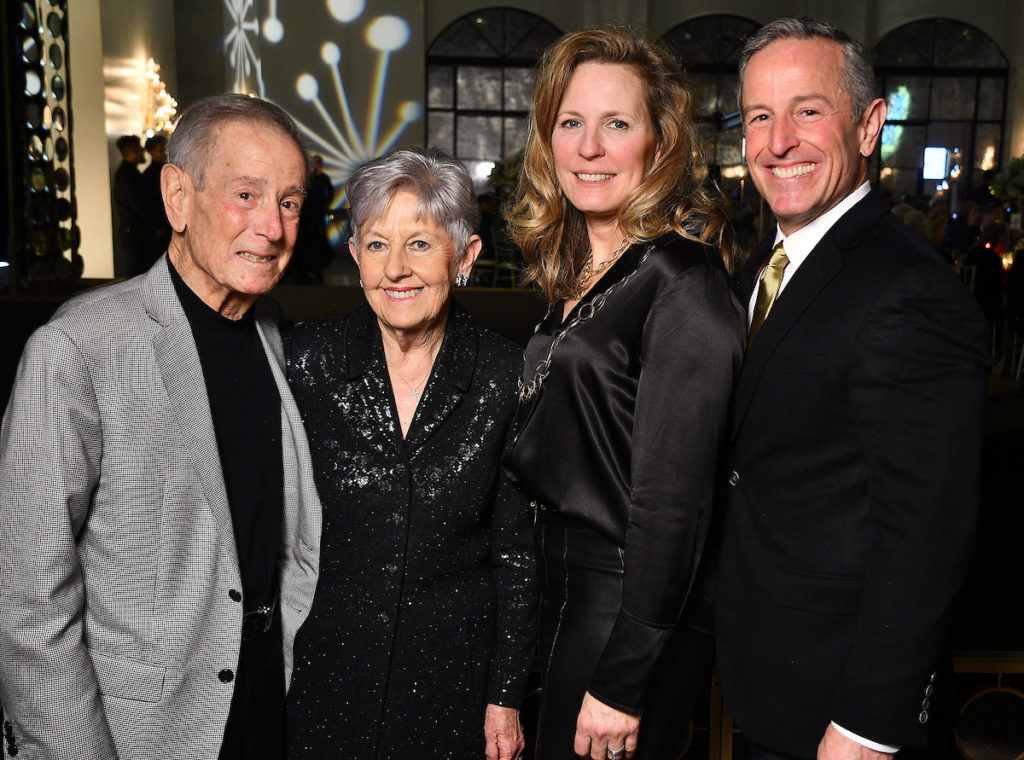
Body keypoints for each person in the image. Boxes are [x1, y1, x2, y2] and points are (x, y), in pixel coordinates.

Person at [0, 93, 322, 760]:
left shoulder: (277, 338)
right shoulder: (78, 352)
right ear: (178, 196)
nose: (271, 226)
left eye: (289, 202)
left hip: (268, 709)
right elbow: (29, 607)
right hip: (144, 732)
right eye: (246, 194)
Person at [715, 17, 990, 760]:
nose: (778, 142)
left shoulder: (907, 290)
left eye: (808, 111)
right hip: (768, 681)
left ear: (869, 126)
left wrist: (871, 724)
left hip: (846, 719)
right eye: (760, 117)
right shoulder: (761, 268)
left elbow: (928, 533)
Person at [502, 28, 745, 760]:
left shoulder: (683, 282)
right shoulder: (587, 276)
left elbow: (675, 504)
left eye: (617, 124)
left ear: (659, 141)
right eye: (571, 123)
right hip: (566, 592)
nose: (589, 147)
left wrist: (626, 675)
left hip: (625, 607)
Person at [285, 148, 537, 760]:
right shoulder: (304, 362)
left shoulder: (505, 375)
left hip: (452, 687)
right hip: (321, 678)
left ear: (466, 257)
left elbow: (516, 557)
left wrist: (505, 696)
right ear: (354, 256)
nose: (395, 268)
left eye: (420, 244)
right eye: (376, 245)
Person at [112, 133, 157, 277]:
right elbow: (139, 204)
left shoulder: (128, 172)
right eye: (139, 148)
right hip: (134, 234)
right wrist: (156, 225)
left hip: (133, 232)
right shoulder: (128, 175)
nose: (143, 151)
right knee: (137, 272)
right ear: (132, 152)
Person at [142, 133, 172, 268]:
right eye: (161, 149)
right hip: (161, 225)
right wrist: (157, 225)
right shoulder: (149, 175)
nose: (164, 152)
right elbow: (149, 203)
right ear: (151, 152)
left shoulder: (168, 170)